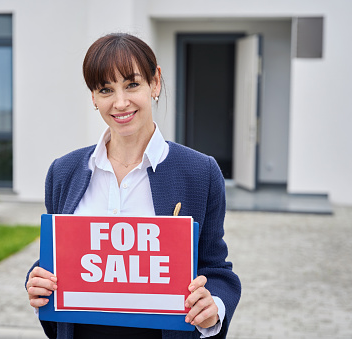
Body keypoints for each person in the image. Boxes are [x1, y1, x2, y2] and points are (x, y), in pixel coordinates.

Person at [26, 32, 241, 339]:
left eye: (132, 84)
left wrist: (213, 308)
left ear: (155, 83)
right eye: (105, 89)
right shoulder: (64, 172)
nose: (120, 102)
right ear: (93, 97)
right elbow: (59, 260)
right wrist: (37, 283)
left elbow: (215, 269)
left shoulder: (200, 172)